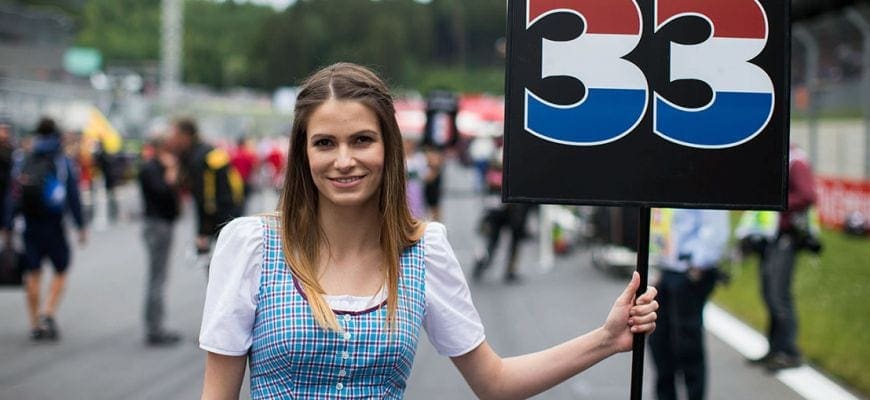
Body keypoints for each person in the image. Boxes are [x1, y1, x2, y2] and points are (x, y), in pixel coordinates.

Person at [198, 63, 658, 399]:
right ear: (303, 153)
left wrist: (605, 339)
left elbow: (494, 383)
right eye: (325, 143)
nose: (343, 160)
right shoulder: (251, 246)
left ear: (389, 148)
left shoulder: (423, 252)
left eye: (361, 139)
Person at [10, 117, 87, 341]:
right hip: (54, 224)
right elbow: (72, 195)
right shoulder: (62, 160)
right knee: (61, 270)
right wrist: (80, 225)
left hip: (29, 223)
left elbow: (13, 195)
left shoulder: (23, 157)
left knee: (33, 272)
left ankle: (34, 322)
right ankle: (48, 311)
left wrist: (7, 224)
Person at [648, 208, 730, 400]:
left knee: (687, 343)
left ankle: (694, 396)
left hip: (689, 272)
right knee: (658, 341)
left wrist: (698, 265)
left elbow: (716, 226)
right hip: (666, 269)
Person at [749, 144, 817, 371]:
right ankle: (775, 348)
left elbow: (807, 195)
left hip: (787, 238)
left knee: (779, 295)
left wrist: (776, 200)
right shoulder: (778, 160)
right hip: (771, 238)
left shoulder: (795, 161)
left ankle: (789, 351)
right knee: (769, 292)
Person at [167, 118, 245, 258]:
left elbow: (205, 199)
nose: (171, 139)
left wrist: (202, 232)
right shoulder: (204, 151)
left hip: (220, 218)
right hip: (228, 213)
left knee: (218, 267)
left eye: (174, 135)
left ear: (185, 136)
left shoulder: (199, 158)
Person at [138, 137, 182, 346]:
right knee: (158, 277)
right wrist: (171, 172)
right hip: (158, 225)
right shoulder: (151, 169)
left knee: (158, 276)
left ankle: (155, 325)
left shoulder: (151, 167)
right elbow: (163, 192)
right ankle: (154, 327)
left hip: (159, 224)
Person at [473, 146, 531, 284]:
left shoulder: (500, 169)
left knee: (509, 241)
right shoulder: (496, 173)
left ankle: (509, 269)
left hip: (510, 211)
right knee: (494, 242)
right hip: (501, 211)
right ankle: (485, 264)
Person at [230, 135, 258, 213]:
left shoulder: (233, 154)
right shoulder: (248, 154)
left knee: (237, 201)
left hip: (235, 182)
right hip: (246, 180)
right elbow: (254, 166)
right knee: (245, 201)